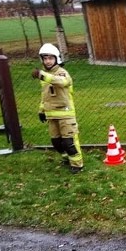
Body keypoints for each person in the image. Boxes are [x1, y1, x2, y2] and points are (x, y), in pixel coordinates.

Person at [33, 43, 84, 173]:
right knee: (56, 142)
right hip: (51, 115)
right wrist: (41, 110)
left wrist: (42, 75)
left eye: (50, 58)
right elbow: (45, 95)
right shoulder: (44, 76)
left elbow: (61, 82)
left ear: (56, 59)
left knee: (69, 142)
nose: (48, 61)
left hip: (66, 114)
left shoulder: (62, 73)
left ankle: (77, 164)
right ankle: (67, 158)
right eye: (45, 58)